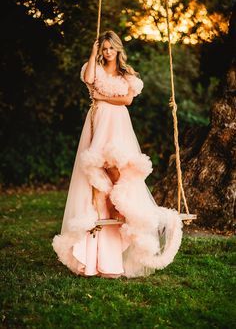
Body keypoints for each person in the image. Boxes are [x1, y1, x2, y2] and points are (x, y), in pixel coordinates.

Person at [52, 30, 183, 278]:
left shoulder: (127, 75)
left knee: (117, 169)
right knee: (95, 172)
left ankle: (119, 214)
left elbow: (127, 100)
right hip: (99, 122)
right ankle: (94, 242)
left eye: (111, 48)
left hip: (118, 124)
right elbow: (88, 79)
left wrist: (101, 96)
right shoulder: (96, 69)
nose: (107, 52)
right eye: (104, 49)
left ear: (118, 50)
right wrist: (92, 53)